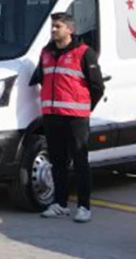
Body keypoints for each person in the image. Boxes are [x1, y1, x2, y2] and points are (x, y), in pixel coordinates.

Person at [29, 12, 104, 223]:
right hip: (52, 116)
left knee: (80, 162)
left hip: (76, 117)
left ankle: (83, 207)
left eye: (58, 26)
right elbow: (43, 79)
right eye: (52, 26)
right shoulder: (46, 52)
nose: (53, 30)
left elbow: (97, 86)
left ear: (70, 30)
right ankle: (60, 204)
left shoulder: (84, 53)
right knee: (58, 162)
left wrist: (85, 108)